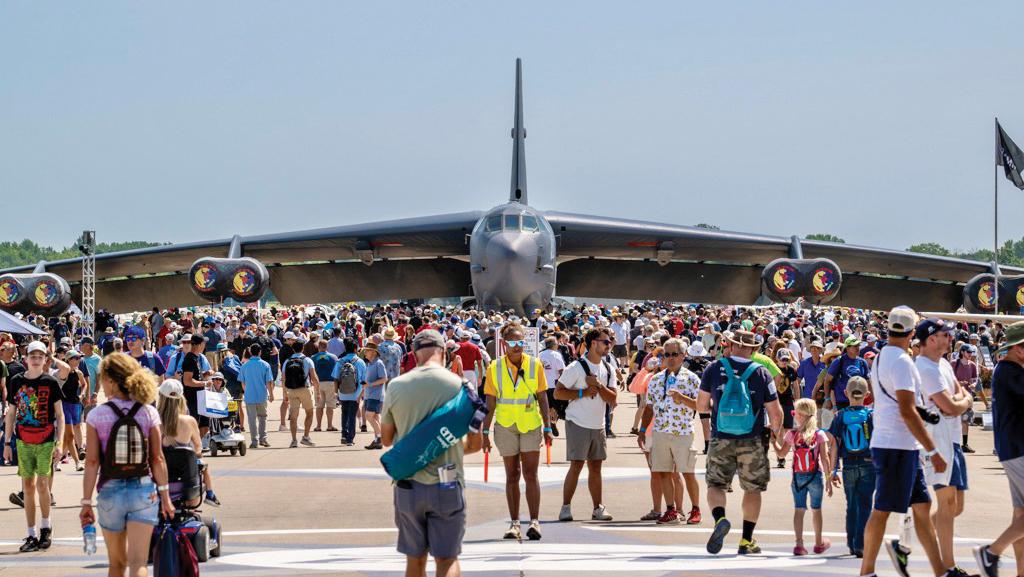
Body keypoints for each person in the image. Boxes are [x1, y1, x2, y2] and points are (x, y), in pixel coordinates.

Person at [381, 329, 483, 577]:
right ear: (444, 352)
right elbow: (476, 443)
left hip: (408, 484)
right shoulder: (462, 388)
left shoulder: (396, 386)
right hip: (447, 484)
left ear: (414, 354)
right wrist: (452, 447)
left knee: (414, 561)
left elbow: (386, 439)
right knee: (447, 560)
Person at [859, 307, 949, 577]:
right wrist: (933, 450)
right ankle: (866, 572)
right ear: (912, 333)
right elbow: (907, 410)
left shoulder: (882, 356)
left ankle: (940, 571)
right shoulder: (902, 361)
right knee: (882, 510)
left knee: (921, 507)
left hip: (895, 443)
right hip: (897, 445)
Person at [79, 353, 175, 576]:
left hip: (110, 492)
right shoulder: (148, 412)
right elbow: (157, 458)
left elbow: (92, 462)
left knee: (116, 564)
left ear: (111, 382)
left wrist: (86, 502)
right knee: (138, 563)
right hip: (143, 490)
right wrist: (166, 497)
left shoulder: (96, 415)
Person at [697, 329, 783, 555]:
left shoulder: (713, 369)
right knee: (752, 489)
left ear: (730, 345)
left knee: (715, 484)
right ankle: (746, 540)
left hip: (721, 436)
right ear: (753, 349)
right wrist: (776, 433)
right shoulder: (761, 372)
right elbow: (775, 412)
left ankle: (720, 519)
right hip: (751, 438)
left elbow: (701, 406)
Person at [481, 323, 552, 541]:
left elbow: (543, 398)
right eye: (512, 342)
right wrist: (484, 432)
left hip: (530, 424)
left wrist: (548, 426)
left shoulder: (535, 365)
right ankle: (514, 523)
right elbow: (490, 403)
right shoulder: (494, 367)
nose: (517, 346)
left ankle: (534, 522)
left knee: (531, 474)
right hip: (505, 425)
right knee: (512, 475)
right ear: (504, 344)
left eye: (520, 341)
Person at [915, 318, 975, 576]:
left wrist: (960, 400)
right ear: (931, 339)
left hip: (951, 440)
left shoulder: (942, 364)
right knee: (947, 503)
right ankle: (948, 567)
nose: (950, 338)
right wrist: (964, 402)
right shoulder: (925, 368)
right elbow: (951, 405)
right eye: (945, 335)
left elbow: (958, 394)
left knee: (956, 506)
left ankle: (909, 540)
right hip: (937, 440)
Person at [3, 341, 65, 552]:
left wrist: (60, 442)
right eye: (33, 356)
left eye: (40, 356)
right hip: (23, 439)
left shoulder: (51, 382)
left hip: (46, 439)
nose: (36, 359)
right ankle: (31, 533)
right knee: (27, 487)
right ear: (26, 358)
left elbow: (60, 415)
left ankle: (46, 528)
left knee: (42, 485)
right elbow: (11, 412)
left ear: (45, 359)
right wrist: (8, 442)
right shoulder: (16, 381)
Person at [973, 321, 1024, 577]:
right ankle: (992, 552)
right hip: (1019, 447)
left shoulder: (1008, 371)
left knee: (1021, 515)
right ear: (1020, 349)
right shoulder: (1011, 372)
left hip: (1012, 447)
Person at [554, 328, 618, 522]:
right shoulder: (575, 367)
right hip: (578, 423)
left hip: (598, 425)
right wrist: (582, 392)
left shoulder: (609, 368)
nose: (609, 345)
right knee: (576, 465)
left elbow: (613, 399)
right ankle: (565, 507)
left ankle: (598, 507)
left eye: (610, 342)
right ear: (593, 343)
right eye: (606, 342)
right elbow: (558, 393)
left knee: (596, 468)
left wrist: (598, 385)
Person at [637, 338, 702, 525]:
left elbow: (702, 406)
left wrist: (682, 398)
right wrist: (642, 430)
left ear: (683, 355)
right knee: (664, 471)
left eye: (675, 354)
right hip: (660, 431)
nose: (671, 358)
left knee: (688, 472)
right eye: (667, 354)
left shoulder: (691, 378)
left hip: (682, 431)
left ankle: (695, 509)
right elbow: (649, 407)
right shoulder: (656, 379)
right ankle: (671, 509)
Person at [777, 397, 833, 556]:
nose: (793, 415)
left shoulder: (792, 434)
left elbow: (781, 454)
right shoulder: (819, 434)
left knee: (799, 510)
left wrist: (774, 441)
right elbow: (825, 458)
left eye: (795, 412)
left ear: (800, 416)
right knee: (816, 510)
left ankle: (799, 545)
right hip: (815, 476)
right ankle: (818, 543)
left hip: (797, 478)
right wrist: (828, 479)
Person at [828, 376, 874, 558]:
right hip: (868, 464)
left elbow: (834, 445)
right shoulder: (871, 415)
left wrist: (833, 470)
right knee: (865, 504)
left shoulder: (840, 416)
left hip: (847, 465)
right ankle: (862, 544)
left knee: (852, 505)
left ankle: (852, 543)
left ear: (846, 393)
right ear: (867, 395)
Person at [156, 379, 219, 506]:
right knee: (202, 463)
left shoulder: (154, 421)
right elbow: (198, 449)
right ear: (181, 399)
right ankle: (210, 494)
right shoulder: (189, 421)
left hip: (159, 481)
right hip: (186, 483)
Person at [282, 343, 318, 448]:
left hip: (291, 390)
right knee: (310, 412)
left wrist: (285, 393)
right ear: (302, 348)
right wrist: (318, 391)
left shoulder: (287, 361)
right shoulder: (307, 360)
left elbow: (284, 379)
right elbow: (314, 377)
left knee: (293, 416)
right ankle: (306, 437)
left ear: (293, 349)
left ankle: (294, 440)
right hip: (304, 389)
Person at [240, 344, 274, 448]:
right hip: (261, 395)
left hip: (249, 396)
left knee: (251, 419)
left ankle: (254, 441)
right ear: (260, 352)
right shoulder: (265, 365)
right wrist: (271, 394)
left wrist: (247, 391)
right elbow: (269, 382)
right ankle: (263, 439)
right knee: (263, 417)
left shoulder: (245, 365)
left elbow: (242, 382)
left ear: (250, 352)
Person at [824, 336, 870, 411]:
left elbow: (867, 382)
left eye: (858, 345)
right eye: (854, 346)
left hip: (859, 402)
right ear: (847, 348)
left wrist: (873, 398)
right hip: (841, 403)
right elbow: (827, 380)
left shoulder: (862, 362)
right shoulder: (839, 361)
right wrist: (827, 399)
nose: (857, 348)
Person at [335, 338, 366, 446]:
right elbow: (363, 380)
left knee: (344, 414)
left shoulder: (340, 361)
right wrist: (362, 394)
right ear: (355, 348)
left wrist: (336, 393)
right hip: (355, 393)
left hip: (343, 393)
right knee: (352, 415)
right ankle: (350, 439)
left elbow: (335, 378)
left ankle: (344, 435)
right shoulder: (360, 362)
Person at [59, 349, 87, 472]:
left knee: (69, 435)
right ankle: (77, 461)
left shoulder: (79, 373)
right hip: (64, 404)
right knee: (69, 434)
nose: (78, 360)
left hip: (75, 403)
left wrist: (83, 394)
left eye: (79, 358)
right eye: (76, 358)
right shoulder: (61, 373)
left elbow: (84, 384)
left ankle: (57, 459)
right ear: (68, 360)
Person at [952, 344, 979, 454]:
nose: (970, 354)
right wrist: (959, 383)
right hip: (956, 396)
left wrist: (973, 385)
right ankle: (954, 443)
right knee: (954, 420)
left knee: (965, 420)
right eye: (968, 352)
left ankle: (965, 444)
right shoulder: (954, 363)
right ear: (962, 352)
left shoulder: (972, 365)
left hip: (967, 396)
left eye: (971, 352)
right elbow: (949, 379)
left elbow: (975, 379)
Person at [362, 342, 388, 450]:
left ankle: (379, 438)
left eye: (367, 350)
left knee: (369, 416)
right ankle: (378, 439)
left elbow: (384, 379)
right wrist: (364, 390)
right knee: (375, 417)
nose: (365, 352)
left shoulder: (379, 363)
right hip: (369, 394)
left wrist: (370, 384)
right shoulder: (369, 364)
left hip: (376, 395)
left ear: (373, 352)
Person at [310, 340, 338, 432]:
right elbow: (337, 371)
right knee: (330, 405)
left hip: (318, 383)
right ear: (327, 347)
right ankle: (329, 426)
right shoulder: (334, 357)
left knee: (319, 405)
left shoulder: (313, 357)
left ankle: (318, 426)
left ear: (318, 347)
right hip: (330, 382)